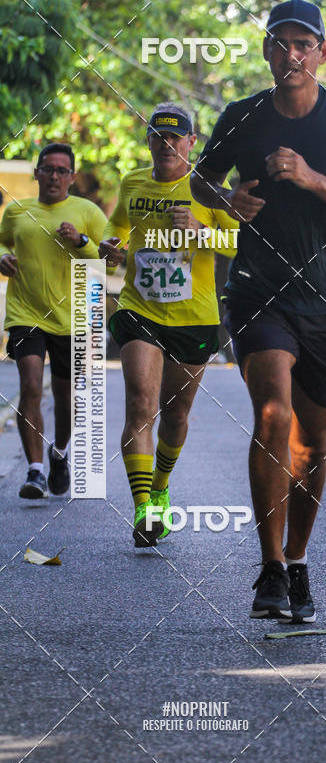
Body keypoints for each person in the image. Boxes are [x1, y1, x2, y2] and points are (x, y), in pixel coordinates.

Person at [190, 0, 326, 622]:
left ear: (322, 52)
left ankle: (298, 562)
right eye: (281, 43)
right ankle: (271, 567)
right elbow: (200, 179)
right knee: (273, 414)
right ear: (267, 51)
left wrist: (310, 178)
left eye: (304, 44)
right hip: (258, 292)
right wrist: (225, 199)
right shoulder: (241, 116)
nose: (292, 54)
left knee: (313, 444)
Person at [99, 103, 238, 548]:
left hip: (194, 318)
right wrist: (110, 246)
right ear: (148, 141)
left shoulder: (210, 190)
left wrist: (201, 230)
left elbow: (239, 243)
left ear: (191, 142)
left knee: (175, 415)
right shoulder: (133, 182)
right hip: (140, 310)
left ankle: (160, 487)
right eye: (159, 136)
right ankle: (144, 508)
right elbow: (117, 227)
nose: (167, 144)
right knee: (141, 405)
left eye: (176, 137)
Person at [0, 143, 105, 498]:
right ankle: (35, 472)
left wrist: (81, 241)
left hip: (72, 317)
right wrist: (2, 257)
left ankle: (59, 453)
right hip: (26, 313)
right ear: (37, 174)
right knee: (30, 385)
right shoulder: (16, 212)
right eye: (48, 169)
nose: (54, 176)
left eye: (62, 171)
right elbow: (2, 243)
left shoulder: (87, 211)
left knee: (66, 400)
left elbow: (110, 260)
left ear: (72, 177)